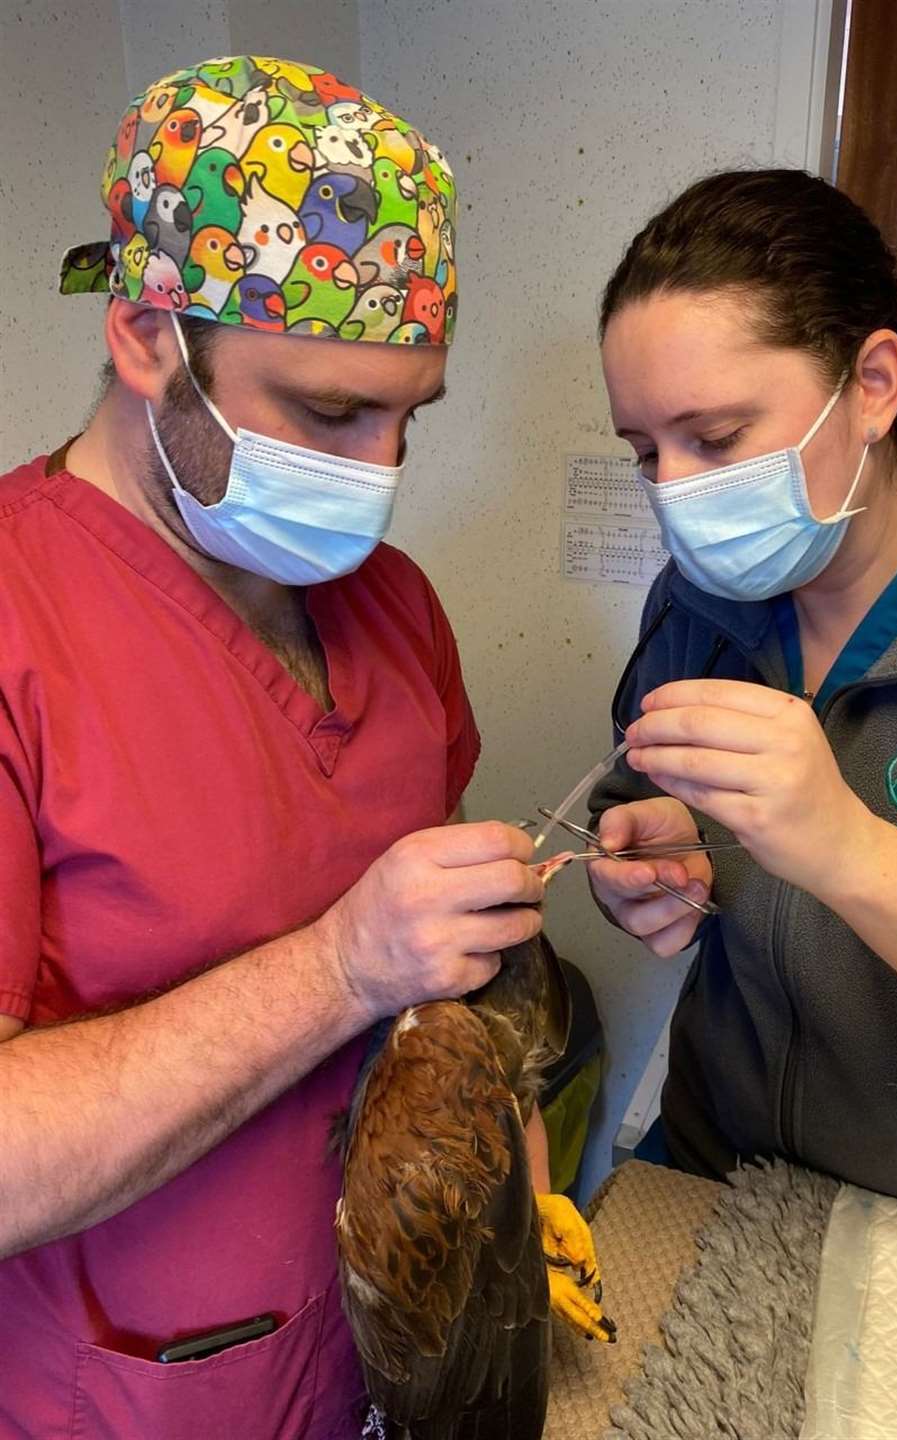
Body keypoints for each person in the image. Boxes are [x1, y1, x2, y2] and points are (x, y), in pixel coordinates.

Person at [0, 55, 601, 1439]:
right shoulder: (22, 629)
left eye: (411, 417)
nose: (382, 472)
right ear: (149, 337)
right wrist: (336, 966)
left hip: (390, 1377)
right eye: (330, 413)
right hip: (123, 1398)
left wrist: (510, 1190)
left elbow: (447, 989)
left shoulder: (395, 614)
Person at [588, 169, 897, 1237]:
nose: (676, 493)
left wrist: (842, 844)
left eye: (714, 440)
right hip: (721, 1174)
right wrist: (645, 857)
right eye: (645, 454)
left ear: (873, 384)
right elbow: (640, 793)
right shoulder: (697, 604)